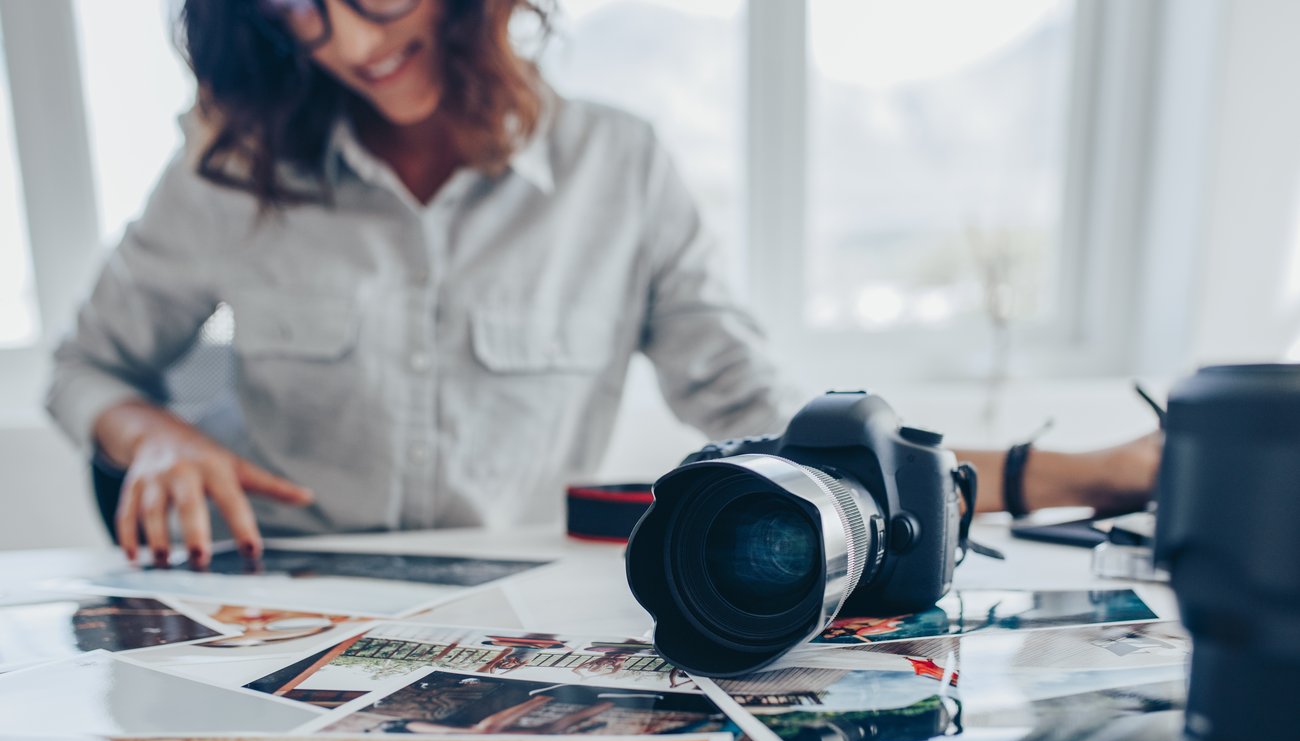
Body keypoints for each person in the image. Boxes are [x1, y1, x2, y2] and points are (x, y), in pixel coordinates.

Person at [45, 0, 1160, 569]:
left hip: (507, 631)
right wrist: (150, 435)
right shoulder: (230, 173)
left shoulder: (620, 169)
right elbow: (87, 368)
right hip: (272, 616)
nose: (344, 40)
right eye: (299, 3)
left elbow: (779, 426)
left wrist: (1076, 473)